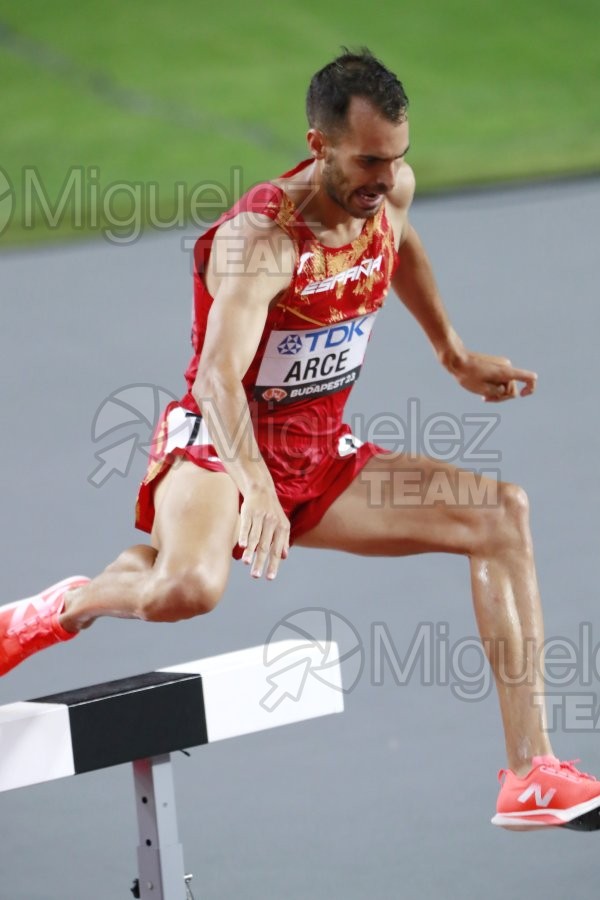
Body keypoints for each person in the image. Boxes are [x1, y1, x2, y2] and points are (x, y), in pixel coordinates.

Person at [1, 49, 599, 830]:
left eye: (397, 159)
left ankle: (531, 773)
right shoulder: (265, 240)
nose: (385, 180)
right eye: (368, 162)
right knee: (190, 592)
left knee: (500, 514)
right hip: (219, 448)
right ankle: (62, 607)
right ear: (318, 146)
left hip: (318, 457)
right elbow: (217, 382)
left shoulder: (388, 193)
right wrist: (256, 490)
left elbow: (400, 243)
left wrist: (452, 351)